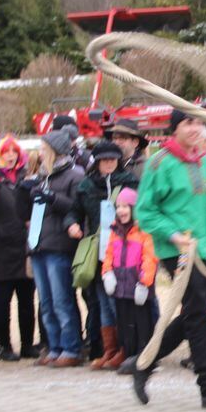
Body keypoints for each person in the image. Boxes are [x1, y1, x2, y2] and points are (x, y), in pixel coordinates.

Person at [128, 109, 206, 409]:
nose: (196, 129)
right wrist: (174, 234)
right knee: (198, 316)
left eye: (199, 123)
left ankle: (143, 363)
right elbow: (146, 211)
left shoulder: (205, 160)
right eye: (188, 123)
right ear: (175, 128)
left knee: (194, 313)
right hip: (176, 251)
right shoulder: (159, 163)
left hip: (203, 249)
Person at [67, 140, 139, 370]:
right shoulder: (87, 186)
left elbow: (142, 211)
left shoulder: (129, 183)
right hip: (99, 251)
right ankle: (110, 349)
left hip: (125, 249)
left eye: (112, 159)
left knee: (118, 301)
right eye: (104, 160)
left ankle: (126, 349)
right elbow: (74, 211)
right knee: (102, 302)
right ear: (96, 162)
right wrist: (72, 224)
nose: (109, 163)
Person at [26, 129, 85, 368]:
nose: (39, 154)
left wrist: (52, 197)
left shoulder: (74, 175)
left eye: (43, 149)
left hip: (59, 245)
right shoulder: (43, 176)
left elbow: (76, 206)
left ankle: (71, 348)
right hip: (39, 244)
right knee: (47, 302)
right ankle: (54, 346)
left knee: (62, 300)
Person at [0, 134, 36, 361]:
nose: (10, 156)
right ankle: (3, 345)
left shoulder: (27, 177)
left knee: (26, 301)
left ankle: (27, 345)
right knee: (1, 301)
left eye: (14, 151)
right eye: (5, 152)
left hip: (24, 245)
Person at [102, 188, 157, 363]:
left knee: (142, 322)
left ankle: (145, 356)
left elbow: (150, 258)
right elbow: (109, 253)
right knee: (124, 322)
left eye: (125, 206)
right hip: (120, 284)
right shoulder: (115, 230)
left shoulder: (143, 230)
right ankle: (128, 353)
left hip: (138, 285)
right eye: (118, 206)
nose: (121, 210)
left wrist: (144, 282)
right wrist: (107, 272)